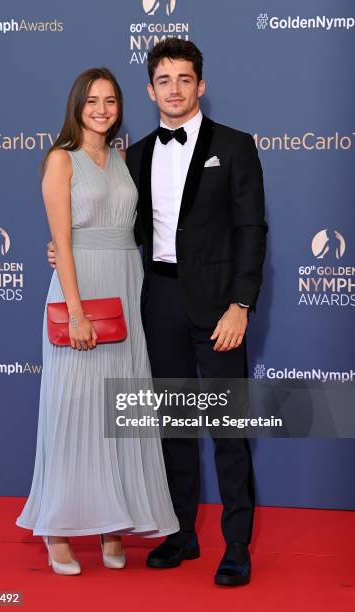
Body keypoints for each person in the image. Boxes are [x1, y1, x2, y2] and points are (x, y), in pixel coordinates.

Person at [16, 67, 179, 575]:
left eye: (110, 100)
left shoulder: (125, 160)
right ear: (76, 106)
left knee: (118, 415)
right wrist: (79, 310)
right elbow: (62, 242)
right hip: (81, 290)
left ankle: (114, 524)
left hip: (126, 288)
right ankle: (56, 531)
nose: (102, 109)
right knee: (71, 411)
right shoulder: (60, 161)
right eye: (92, 101)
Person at [125, 39, 267, 586]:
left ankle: (236, 546)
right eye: (165, 80)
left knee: (229, 429)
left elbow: (252, 229)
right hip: (158, 301)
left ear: (200, 85)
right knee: (174, 428)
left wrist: (242, 303)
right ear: (150, 90)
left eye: (185, 79)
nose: (175, 89)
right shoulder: (136, 154)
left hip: (219, 309)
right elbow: (125, 232)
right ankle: (181, 533)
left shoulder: (234, 147)